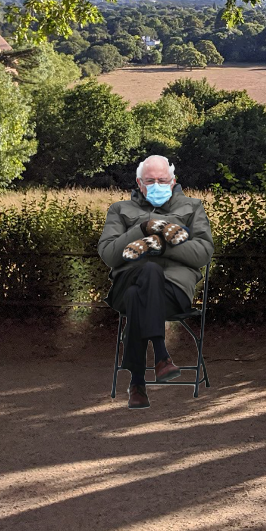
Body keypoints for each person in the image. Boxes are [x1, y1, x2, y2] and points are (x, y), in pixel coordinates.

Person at [98, 154, 214, 410]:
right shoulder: (119, 210)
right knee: (145, 275)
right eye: (150, 181)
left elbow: (203, 253)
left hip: (173, 291)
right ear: (139, 183)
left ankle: (137, 384)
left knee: (137, 295)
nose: (157, 185)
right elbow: (109, 254)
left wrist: (160, 247)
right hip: (126, 283)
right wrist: (142, 228)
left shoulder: (192, 207)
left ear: (173, 181)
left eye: (162, 180)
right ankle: (161, 356)